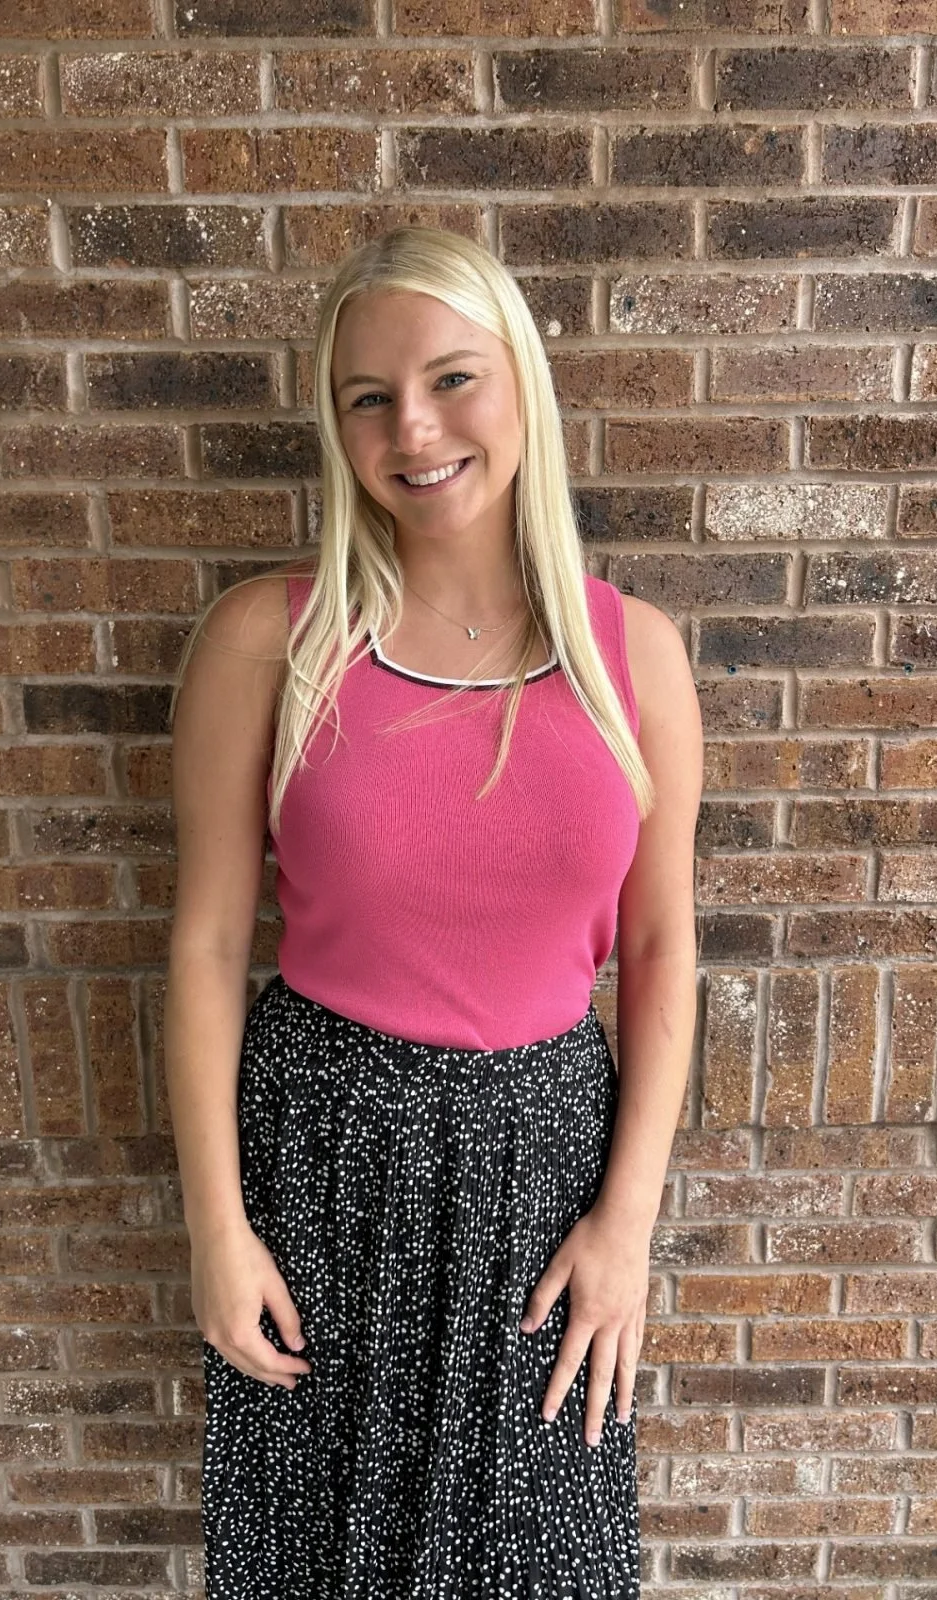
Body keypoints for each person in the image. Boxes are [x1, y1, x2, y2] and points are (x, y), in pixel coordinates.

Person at [164, 225, 703, 1599]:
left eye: (453, 378)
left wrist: (627, 1226)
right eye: (368, 396)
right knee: (317, 1562)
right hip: (321, 1161)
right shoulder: (266, 643)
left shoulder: (632, 656)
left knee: (544, 1562)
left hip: (546, 1186)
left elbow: (658, 949)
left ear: (520, 384)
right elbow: (212, 943)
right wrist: (217, 1230)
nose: (414, 427)